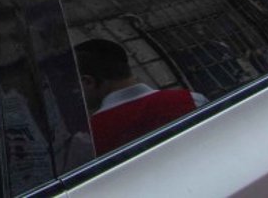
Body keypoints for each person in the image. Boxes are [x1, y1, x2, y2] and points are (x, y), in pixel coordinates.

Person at [74, 39, 204, 157]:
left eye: (73, 87)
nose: (74, 94)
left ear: (87, 82)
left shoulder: (88, 140)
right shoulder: (193, 100)